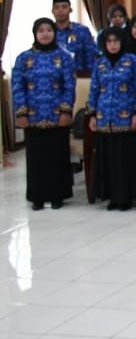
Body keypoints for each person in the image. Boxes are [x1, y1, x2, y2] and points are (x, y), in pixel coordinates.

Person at [12, 18, 76, 210]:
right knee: (36, 159)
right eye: (41, 31)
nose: (45, 34)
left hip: (57, 115)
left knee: (57, 157)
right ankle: (37, 197)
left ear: (54, 33)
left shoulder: (64, 57)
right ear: (35, 34)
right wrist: (21, 112)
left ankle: (58, 196)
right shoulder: (24, 58)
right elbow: (17, 86)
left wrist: (66, 110)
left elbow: (69, 85)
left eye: (49, 30)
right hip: (33, 116)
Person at [87, 28, 136, 210]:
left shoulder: (133, 61)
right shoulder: (100, 63)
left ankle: (126, 197)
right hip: (104, 117)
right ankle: (111, 196)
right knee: (108, 159)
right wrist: (92, 114)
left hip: (126, 117)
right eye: (109, 41)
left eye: (116, 41)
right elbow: (94, 89)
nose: (112, 45)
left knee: (124, 158)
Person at [51, 0, 95, 74]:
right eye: (57, 7)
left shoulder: (82, 30)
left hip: (78, 76)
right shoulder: (48, 31)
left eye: (64, 7)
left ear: (70, 10)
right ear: (52, 11)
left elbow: (90, 56)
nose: (60, 10)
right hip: (53, 76)